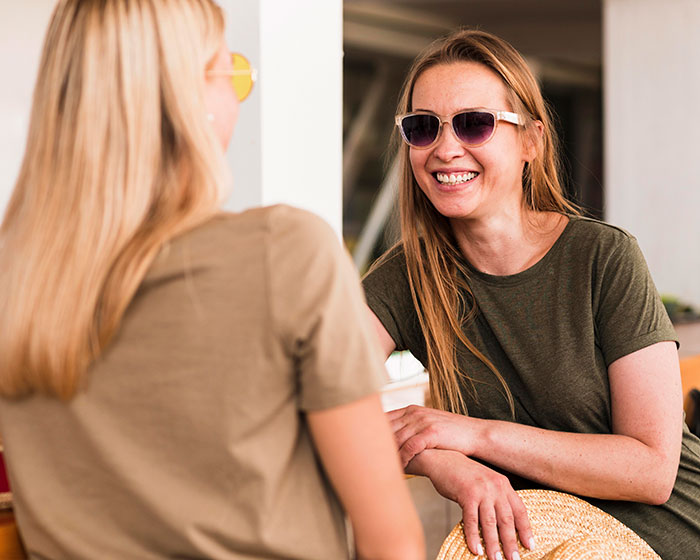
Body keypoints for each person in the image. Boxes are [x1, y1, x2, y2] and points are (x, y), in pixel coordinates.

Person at [0, 1, 425, 559]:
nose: (238, 100)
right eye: (235, 74)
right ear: (188, 98)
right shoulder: (284, 252)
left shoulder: (15, 278)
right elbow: (390, 539)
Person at [362, 28, 700, 560]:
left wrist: (474, 437)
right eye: (423, 127)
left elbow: (652, 470)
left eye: (474, 124)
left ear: (531, 141)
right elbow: (317, 405)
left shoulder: (603, 258)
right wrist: (441, 460)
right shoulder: (406, 277)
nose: (445, 148)